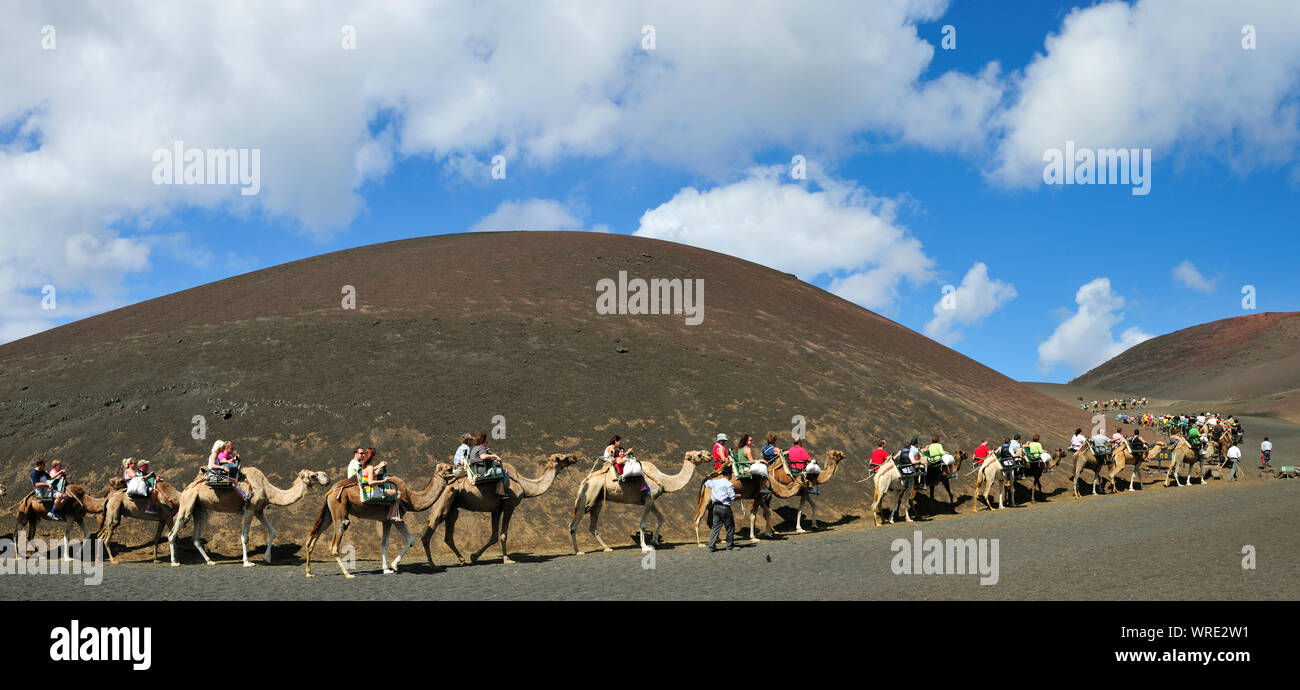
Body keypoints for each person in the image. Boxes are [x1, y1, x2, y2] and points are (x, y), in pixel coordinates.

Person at [359, 448, 402, 521]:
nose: (377, 456)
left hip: (369, 491)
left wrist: (379, 466)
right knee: (398, 493)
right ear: (372, 456)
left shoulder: (365, 467)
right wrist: (383, 481)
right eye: (375, 455)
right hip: (373, 491)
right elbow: (370, 482)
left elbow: (372, 473)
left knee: (392, 496)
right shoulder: (370, 467)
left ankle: (390, 516)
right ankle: (393, 515)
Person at [705, 465, 737, 551]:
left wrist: (711, 476)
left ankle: (711, 546)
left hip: (715, 507)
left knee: (715, 527)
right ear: (729, 474)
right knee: (730, 527)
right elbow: (732, 497)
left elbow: (706, 483)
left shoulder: (715, 482)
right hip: (724, 507)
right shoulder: (729, 484)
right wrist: (738, 496)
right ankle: (729, 546)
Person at [470, 433, 511, 498]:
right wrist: (494, 455)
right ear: (483, 442)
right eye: (486, 442)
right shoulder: (482, 447)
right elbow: (483, 456)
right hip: (482, 471)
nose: (487, 444)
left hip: (475, 471)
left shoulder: (474, 448)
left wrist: (486, 452)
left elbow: (478, 457)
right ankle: (502, 491)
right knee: (503, 472)